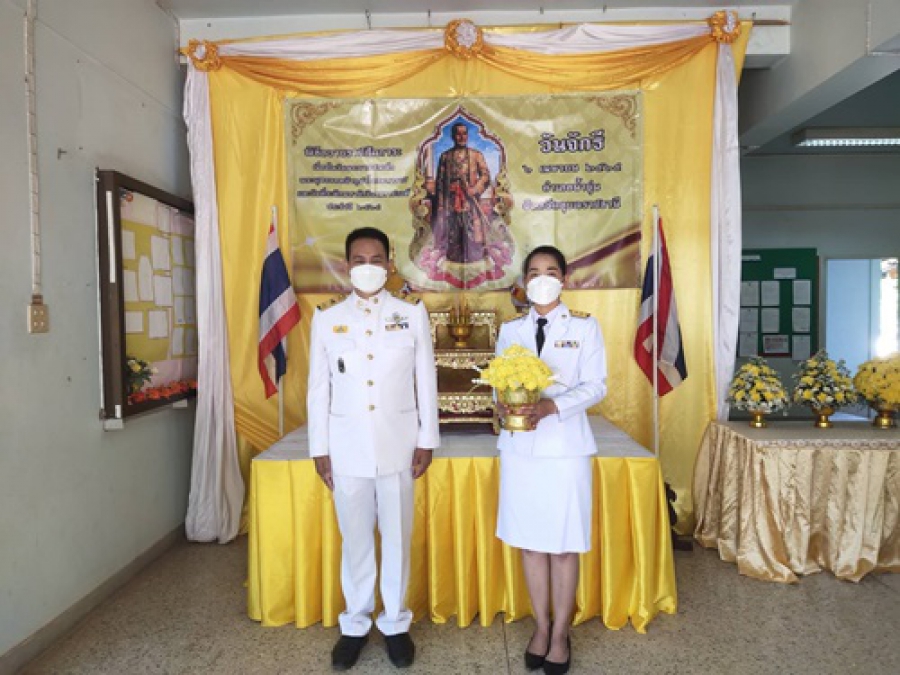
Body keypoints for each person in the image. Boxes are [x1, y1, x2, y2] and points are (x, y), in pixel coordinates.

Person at [308, 227, 440, 671]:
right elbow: (318, 389)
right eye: (359, 260)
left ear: (389, 264)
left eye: (376, 259)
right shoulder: (327, 318)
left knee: (397, 538)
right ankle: (355, 625)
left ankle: (396, 624)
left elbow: (426, 380)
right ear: (347, 265)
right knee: (356, 539)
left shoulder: (410, 314)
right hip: (346, 448)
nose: (368, 267)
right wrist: (319, 447)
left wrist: (427, 439)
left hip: (399, 444)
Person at [495, 245, 608, 675]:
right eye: (534, 272)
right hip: (521, 450)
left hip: (565, 450)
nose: (542, 278)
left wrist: (550, 406)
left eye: (551, 271)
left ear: (564, 278)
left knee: (561, 547)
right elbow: (499, 383)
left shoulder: (584, 326)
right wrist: (504, 405)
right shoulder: (511, 329)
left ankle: (561, 633)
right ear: (523, 281)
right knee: (530, 545)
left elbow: (596, 386)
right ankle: (540, 628)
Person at [432, 122, 491, 263]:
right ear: (453, 136)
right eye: (458, 134)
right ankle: (454, 255)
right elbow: (440, 183)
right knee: (453, 229)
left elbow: (486, 176)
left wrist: (475, 189)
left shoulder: (476, 155)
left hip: (470, 201)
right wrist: (441, 204)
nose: (461, 137)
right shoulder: (445, 156)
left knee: (471, 228)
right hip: (451, 201)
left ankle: (474, 255)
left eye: (464, 133)